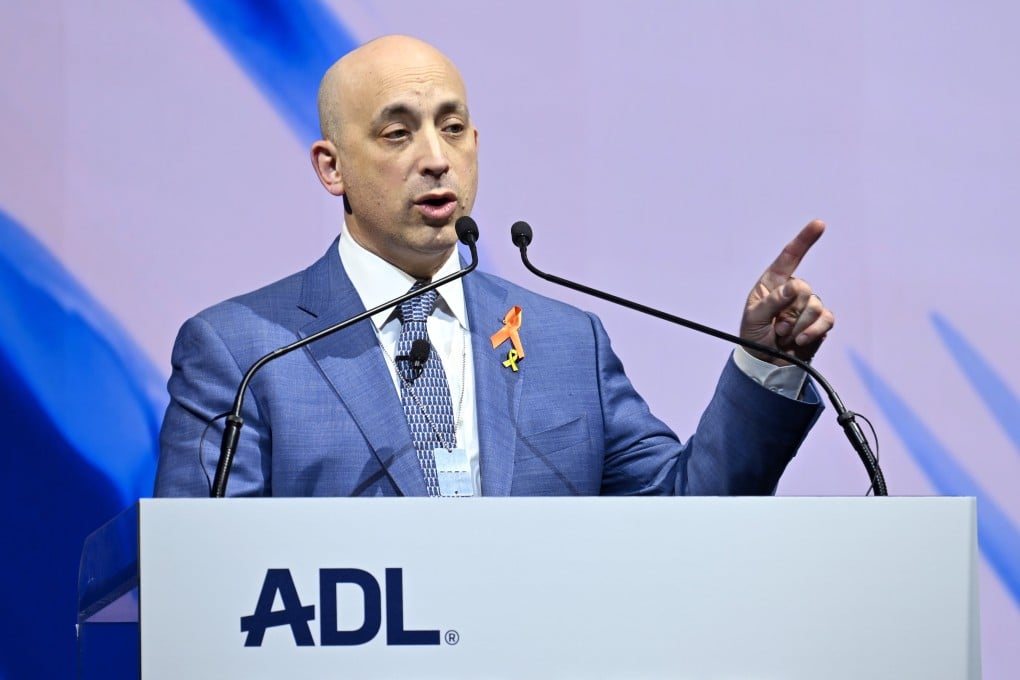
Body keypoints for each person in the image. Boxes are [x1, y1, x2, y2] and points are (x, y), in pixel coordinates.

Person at [153, 35, 831, 498]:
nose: (436, 157)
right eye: (398, 133)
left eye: (452, 128)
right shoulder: (244, 353)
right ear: (332, 167)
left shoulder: (567, 344)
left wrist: (763, 365)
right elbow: (203, 589)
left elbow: (686, 516)